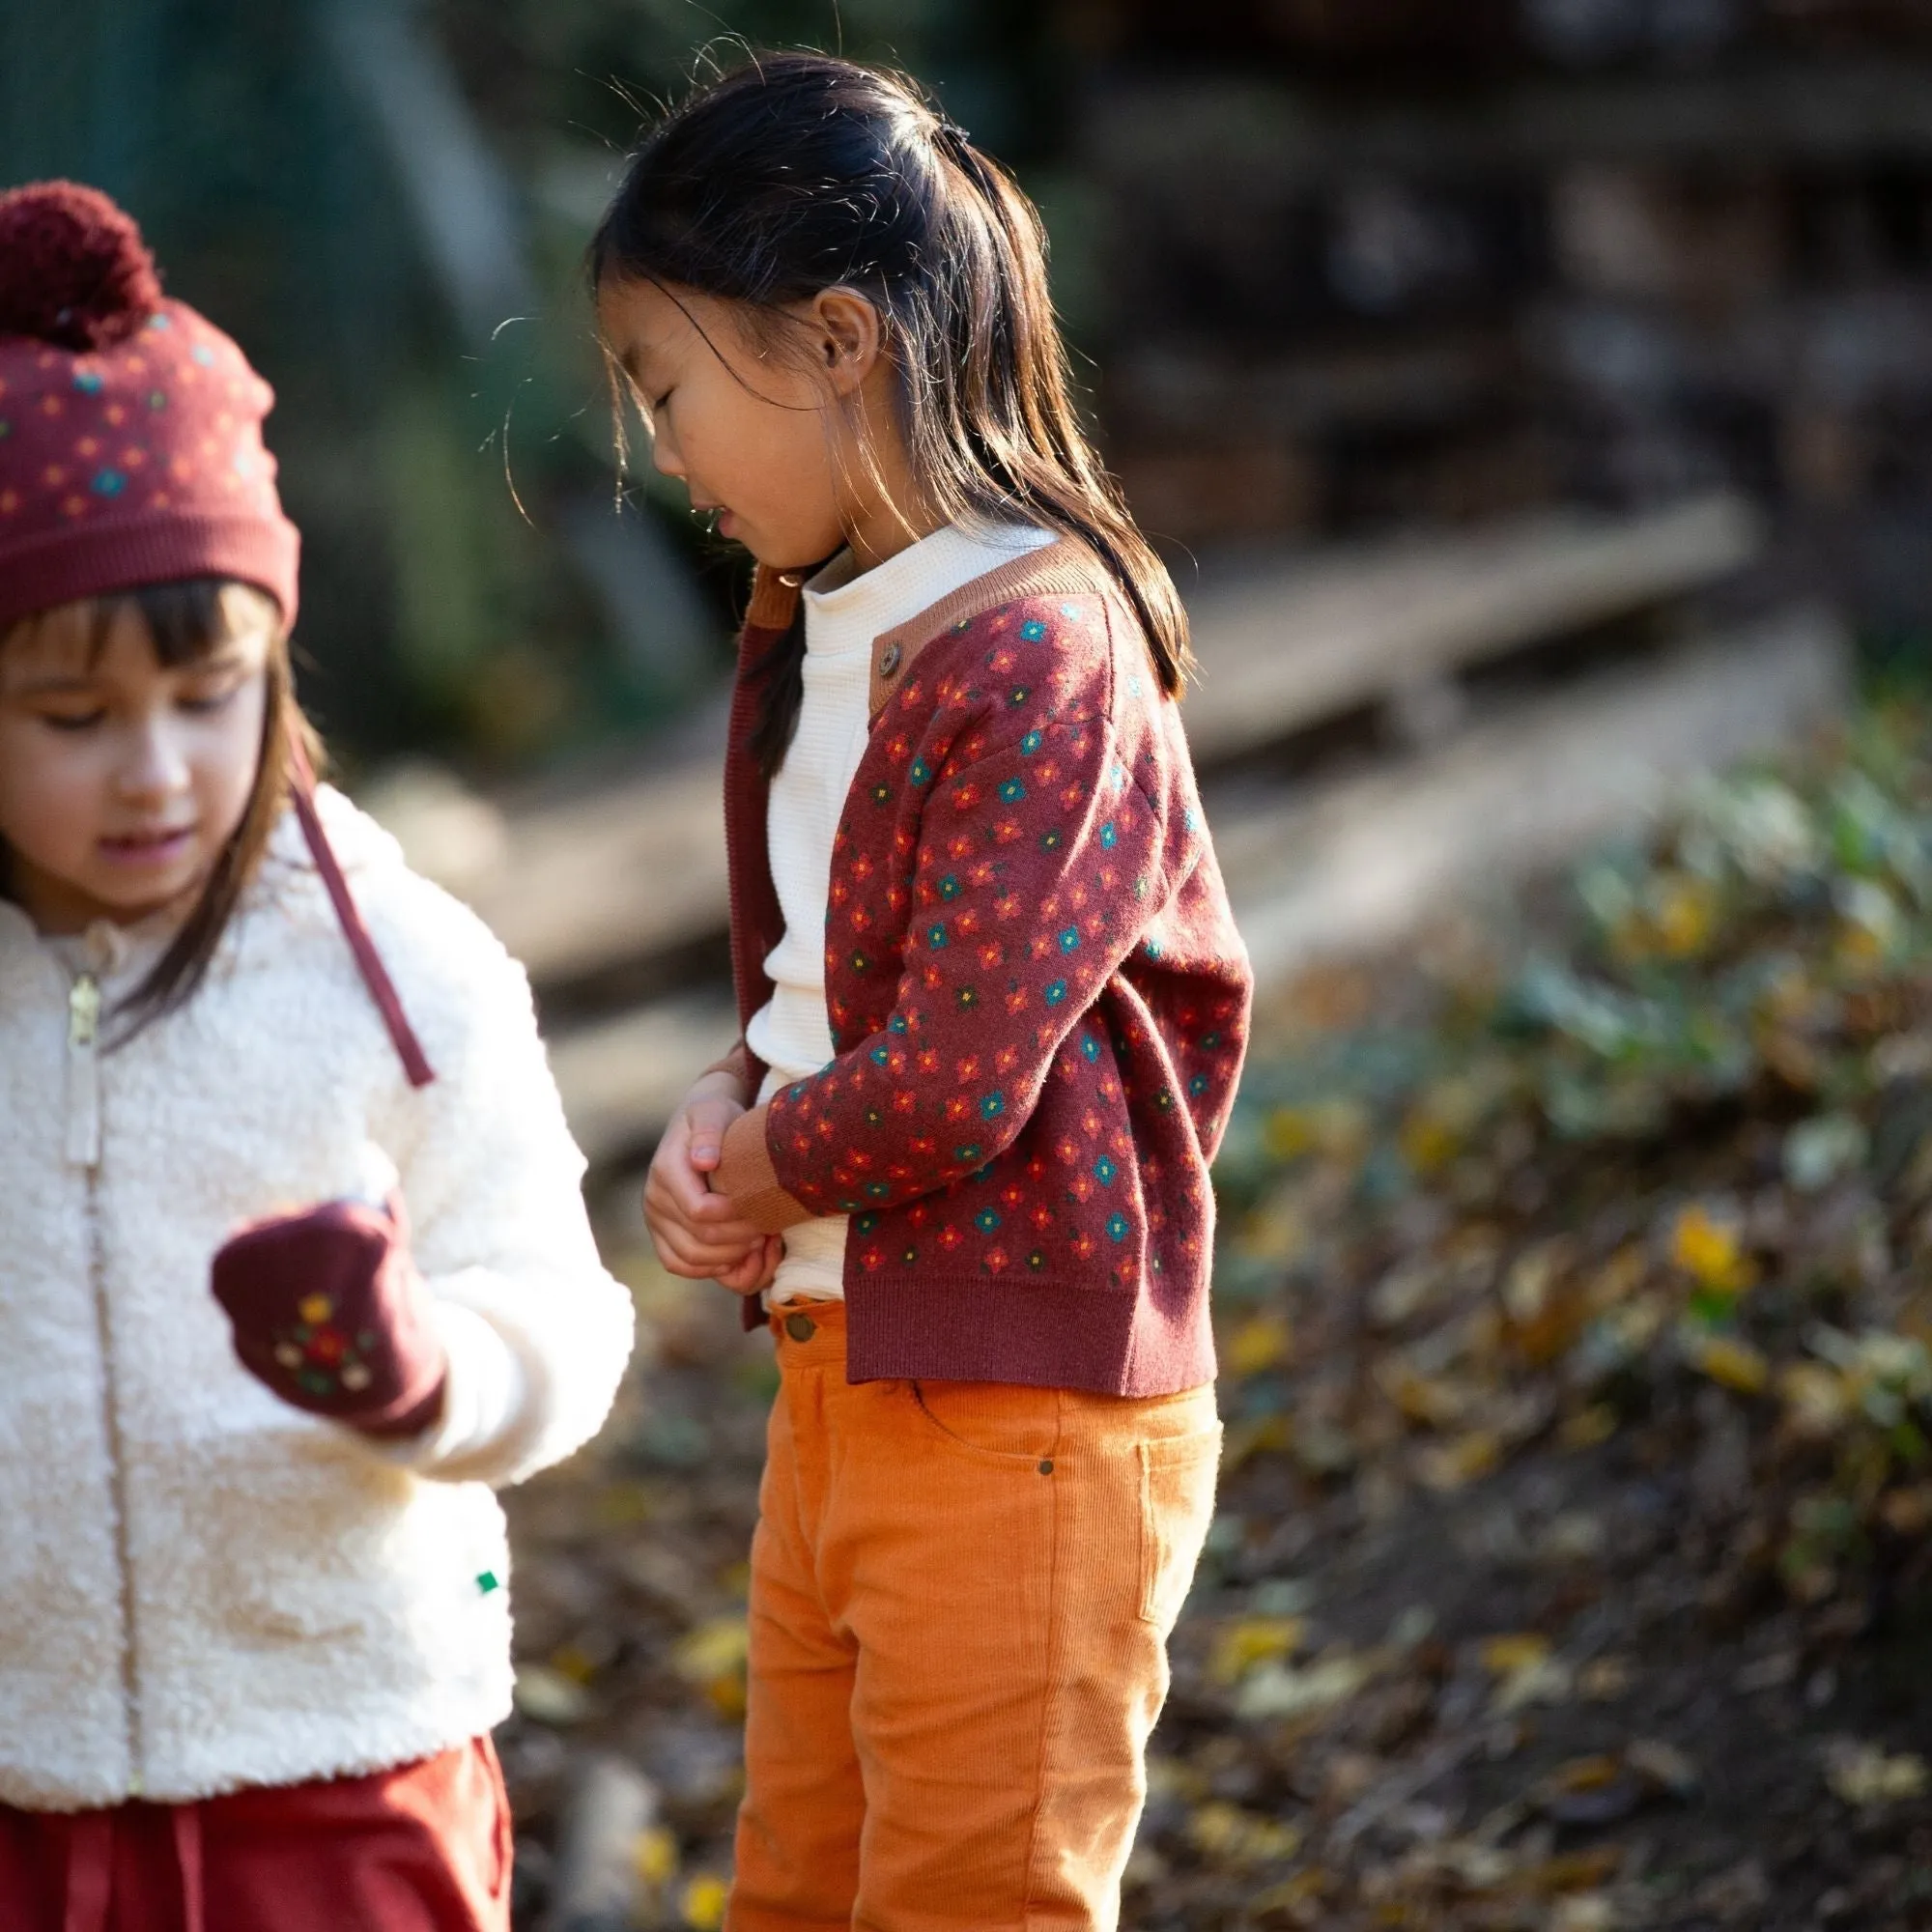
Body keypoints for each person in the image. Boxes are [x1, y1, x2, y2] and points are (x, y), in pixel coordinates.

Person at [605, 54, 1253, 1931]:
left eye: (665, 386)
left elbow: (962, 1069)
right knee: (802, 1886)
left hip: (1020, 1409)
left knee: (977, 1896)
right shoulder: (827, 624)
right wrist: (726, 1092)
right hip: (848, 1383)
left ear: (826, 341)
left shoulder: (1041, 650)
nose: (658, 447)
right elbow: (827, 975)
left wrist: (762, 1167)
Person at [0, 181, 635, 1931]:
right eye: (70, 719)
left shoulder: (390, 970)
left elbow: (563, 1316)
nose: (155, 772)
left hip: (342, 1767)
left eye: (208, 694)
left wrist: (431, 1376)